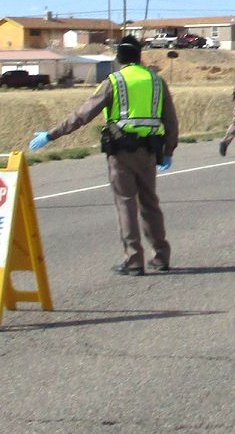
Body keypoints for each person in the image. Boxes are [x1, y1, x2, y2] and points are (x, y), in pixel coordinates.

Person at [38, 37, 179, 275]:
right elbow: (171, 121)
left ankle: (134, 259)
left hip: (121, 152)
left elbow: (83, 114)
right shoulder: (157, 82)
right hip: (148, 152)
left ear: (119, 58)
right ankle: (161, 256)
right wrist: (168, 151)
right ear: (139, 55)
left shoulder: (114, 82)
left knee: (126, 204)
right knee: (150, 204)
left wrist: (51, 135)